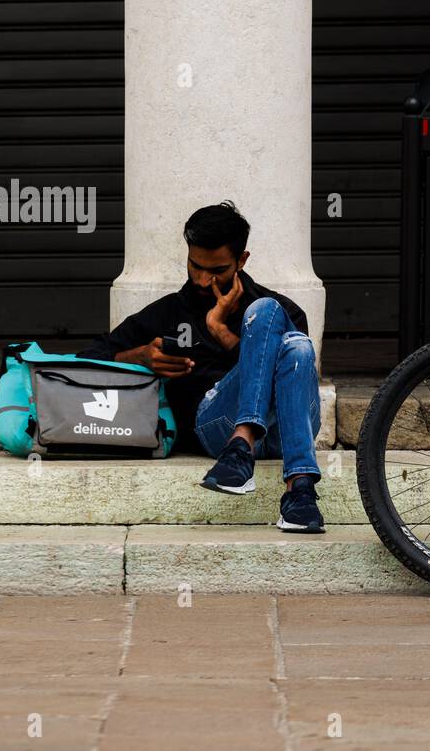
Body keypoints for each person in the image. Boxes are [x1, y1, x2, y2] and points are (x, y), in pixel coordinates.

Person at [79, 201, 324, 532]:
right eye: (195, 266)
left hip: (284, 428)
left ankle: (242, 446)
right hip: (215, 428)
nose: (203, 279)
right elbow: (86, 358)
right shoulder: (166, 314)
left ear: (242, 261)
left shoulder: (284, 311)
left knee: (285, 335)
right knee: (292, 341)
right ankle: (300, 493)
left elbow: (294, 380)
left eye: (218, 270)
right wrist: (138, 357)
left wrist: (221, 331)